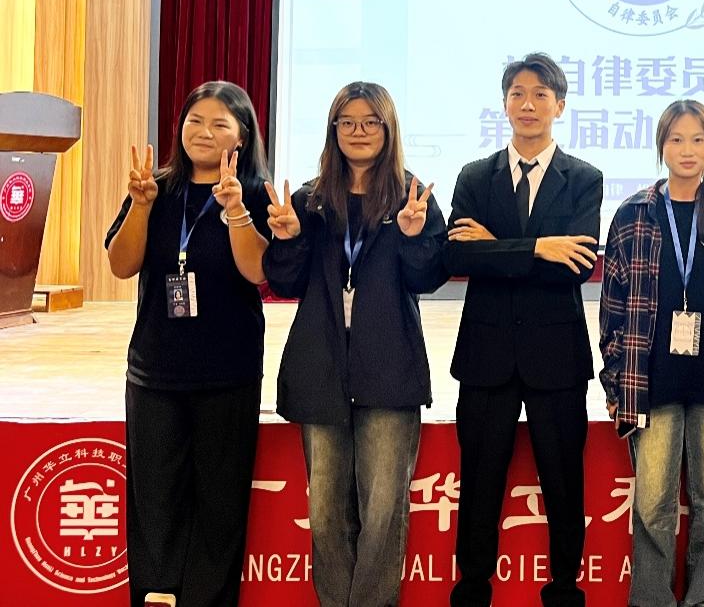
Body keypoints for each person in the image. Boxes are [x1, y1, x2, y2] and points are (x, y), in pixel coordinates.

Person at [263, 81, 447, 607]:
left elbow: (428, 277)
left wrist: (413, 237)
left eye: (370, 122)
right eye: (347, 122)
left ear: (388, 130)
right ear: (333, 130)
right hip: (321, 369)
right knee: (325, 514)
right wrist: (288, 238)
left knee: (383, 513)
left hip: (388, 372)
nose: (359, 131)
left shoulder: (412, 197)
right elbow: (286, 283)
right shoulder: (311, 200)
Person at [599, 99, 704, 607]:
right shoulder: (633, 214)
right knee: (652, 506)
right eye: (676, 139)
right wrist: (615, 383)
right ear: (662, 146)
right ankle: (650, 600)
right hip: (648, 382)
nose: (687, 150)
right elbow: (611, 309)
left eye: (698, 140)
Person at [105, 81, 271, 607]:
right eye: (195, 121)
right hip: (156, 371)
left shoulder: (256, 194)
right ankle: (155, 597)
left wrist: (235, 209)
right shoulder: (154, 188)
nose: (204, 132)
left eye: (220, 124)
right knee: (154, 503)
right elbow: (121, 264)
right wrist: (139, 206)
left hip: (228, 372)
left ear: (241, 137)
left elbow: (258, 271)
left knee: (220, 507)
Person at [446, 53, 603, 607]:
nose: (528, 104)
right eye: (518, 93)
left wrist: (497, 247)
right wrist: (538, 248)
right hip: (486, 353)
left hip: (556, 355)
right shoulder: (474, 176)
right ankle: (472, 589)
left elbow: (575, 265)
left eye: (540, 94)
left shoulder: (583, 178)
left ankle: (563, 589)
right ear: (505, 103)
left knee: (563, 483)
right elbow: (458, 256)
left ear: (559, 105)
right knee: (479, 481)